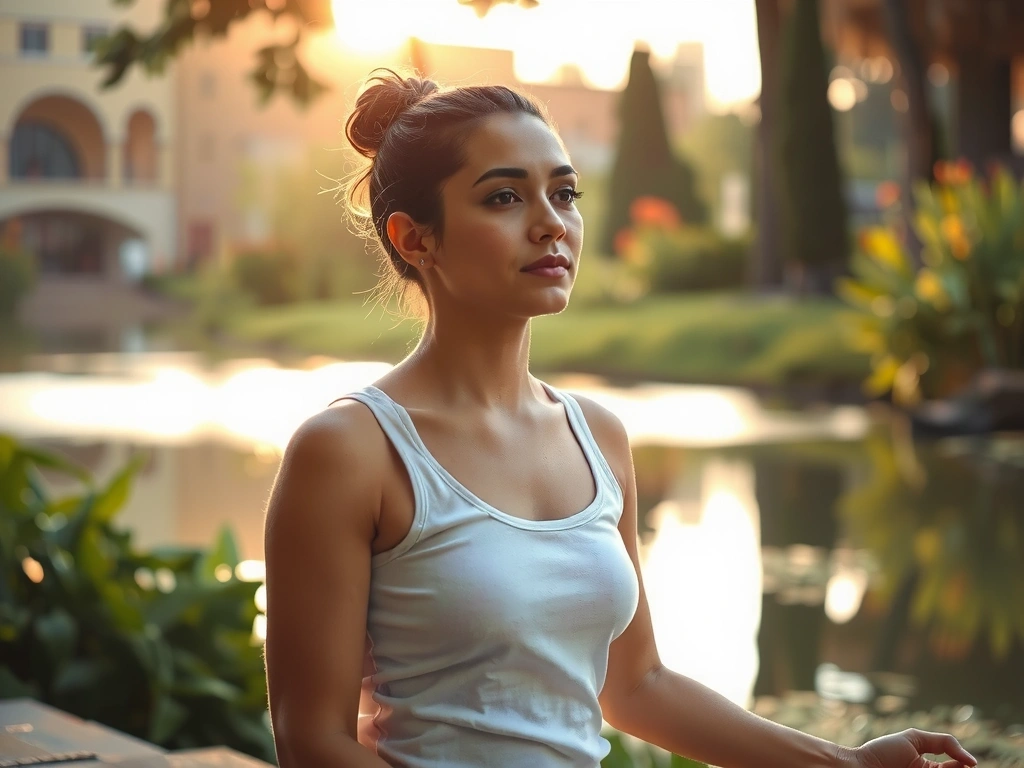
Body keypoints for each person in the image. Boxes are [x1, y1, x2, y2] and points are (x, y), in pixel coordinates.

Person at [262, 69, 977, 768]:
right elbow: (312, 741)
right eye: (505, 197)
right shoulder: (350, 450)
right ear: (417, 239)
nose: (551, 224)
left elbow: (636, 687)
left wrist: (845, 761)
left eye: (564, 192)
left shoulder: (597, 436)